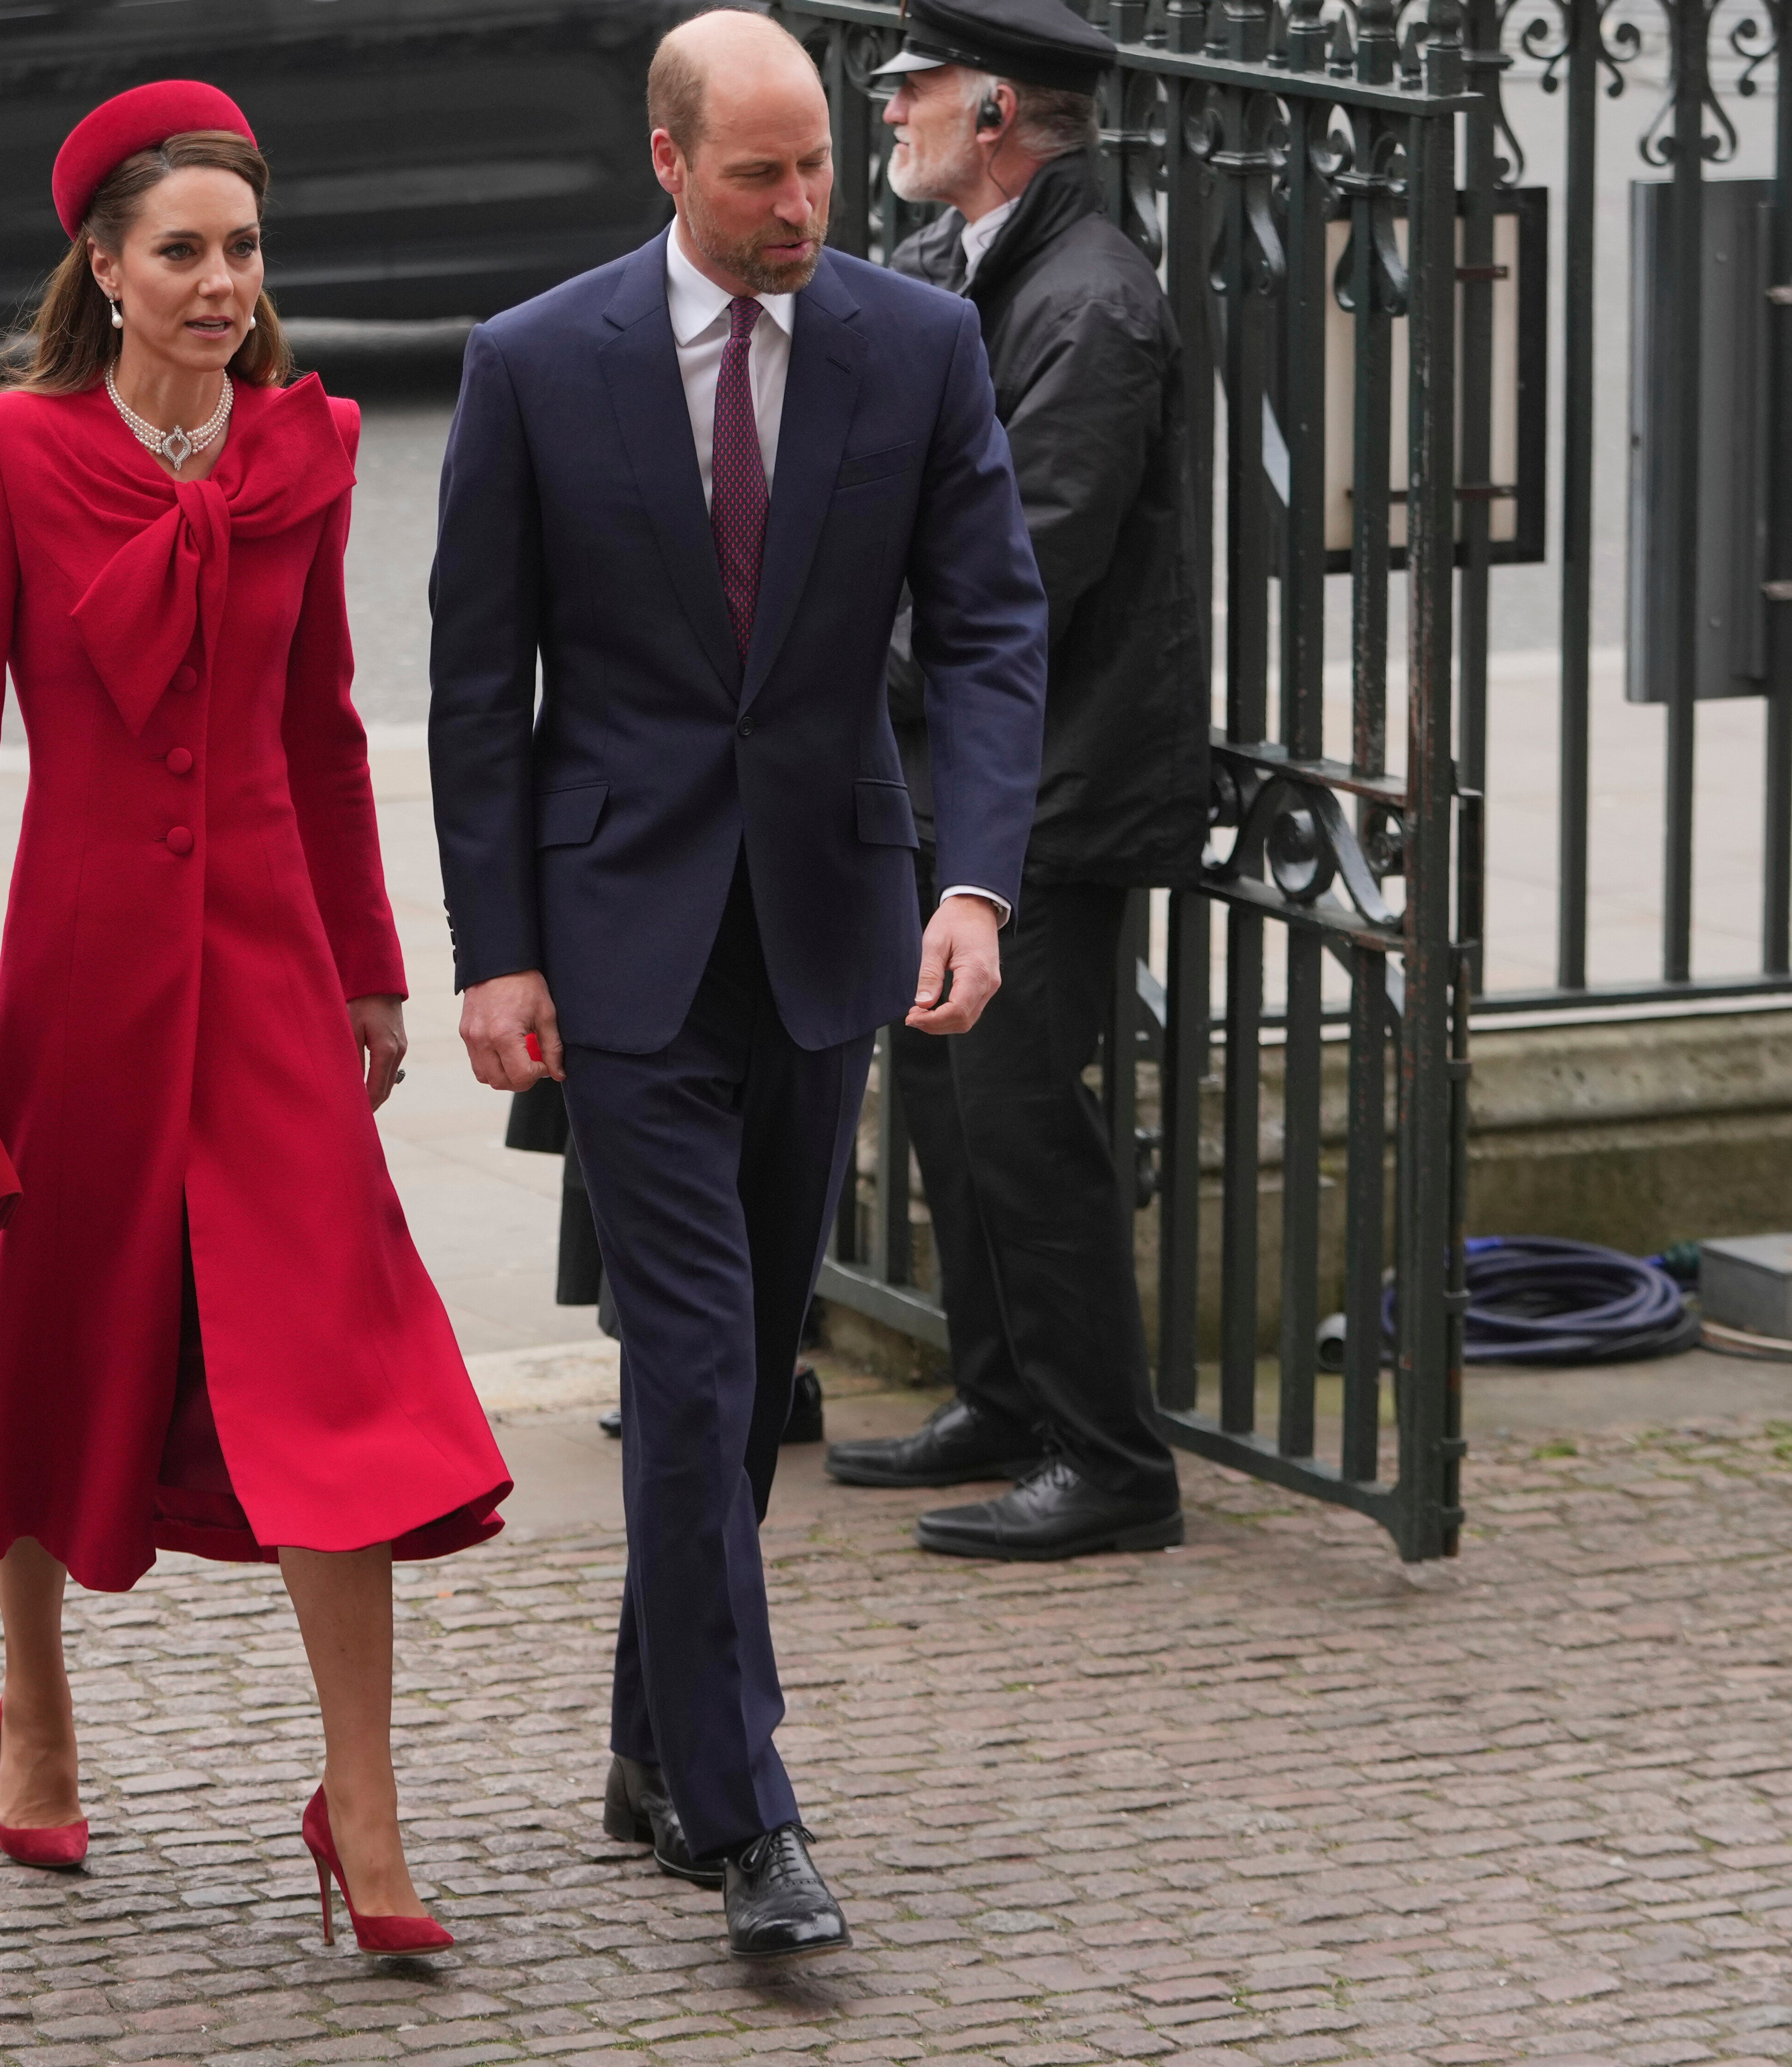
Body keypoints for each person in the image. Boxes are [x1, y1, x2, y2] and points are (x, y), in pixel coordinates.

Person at [428, 8, 1049, 1961]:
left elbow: (989, 624)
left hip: (826, 925)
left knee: (748, 1376)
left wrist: (973, 881)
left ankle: (643, 1737)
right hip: (617, 941)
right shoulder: (533, 366)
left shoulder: (916, 342)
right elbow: (477, 688)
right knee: (688, 1373)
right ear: (670, 162)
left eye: (819, 168)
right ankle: (745, 1803)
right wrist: (494, 946)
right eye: (763, 172)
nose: (805, 204)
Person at [0, 80, 510, 1959]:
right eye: (183, 251)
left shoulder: (305, 450)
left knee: (332, 1355)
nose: (222, 282)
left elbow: (325, 724)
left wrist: (369, 963)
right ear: (102, 265)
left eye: (243, 250)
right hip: (73, 966)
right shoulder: (8, 450)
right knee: (49, 1324)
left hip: (261, 966)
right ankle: (41, 1700)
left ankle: (367, 1808)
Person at [822, 0, 1208, 1561]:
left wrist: (838, 665)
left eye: (909, 86)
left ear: (993, 113)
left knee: (1022, 1111)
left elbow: (1025, 574)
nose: (885, 107)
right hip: (972, 771)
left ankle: (1113, 1456)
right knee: (944, 1088)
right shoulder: (968, 267)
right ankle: (1001, 1393)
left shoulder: (1093, 304)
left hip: (1058, 782)